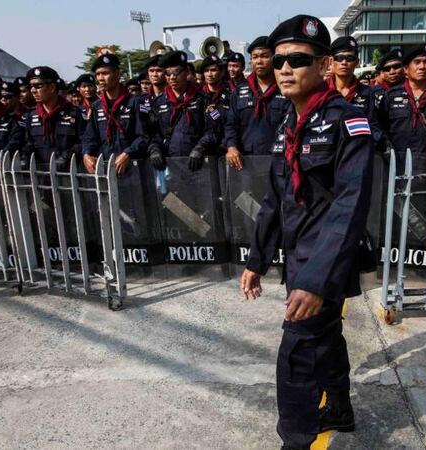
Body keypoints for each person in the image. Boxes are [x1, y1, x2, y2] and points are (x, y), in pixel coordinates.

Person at [239, 14, 374, 450]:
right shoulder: (287, 124)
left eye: (298, 59)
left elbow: (350, 207)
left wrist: (316, 281)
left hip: (325, 260)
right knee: (327, 335)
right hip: (300, 255)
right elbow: (276, 199)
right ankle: (338, 406)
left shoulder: (348, 121)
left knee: (297, 353)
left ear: (325, 66)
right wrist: (257, 259)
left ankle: (295, 441)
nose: (284, 68)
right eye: (279, 60)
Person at [377, 43, 426, 172]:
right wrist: (385, 147)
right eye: (417, 62)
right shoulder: (391, 96)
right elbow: (380, 126)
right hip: (397, 167)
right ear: (406, 68)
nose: (422, 67)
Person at [147, 50, 221, 171]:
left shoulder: (204, 99)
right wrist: (154, 149)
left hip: (201, 165)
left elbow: (215, 129)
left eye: (176, 72)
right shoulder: (158, 103)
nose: (172, 77)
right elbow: (154, 134)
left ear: (186, 72)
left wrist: (200, 148)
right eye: (167, 73)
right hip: (171, 165)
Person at [224, 37, 289, 170]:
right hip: (246, 163)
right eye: (255, 57)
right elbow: (231, 125)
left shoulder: (286, 89)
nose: (259, 61)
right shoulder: (240, 91)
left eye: (264, 56)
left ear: (274, 58)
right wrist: (231, 147)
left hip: (279, 162)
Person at [82, 51, 148, 174]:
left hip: (133, 169)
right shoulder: (96, 106)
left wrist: (128, 153)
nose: (101, 78)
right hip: (106, 169)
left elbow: (143, 136)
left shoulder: (135, 103)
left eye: (105, 73)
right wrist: (86, 154)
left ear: (118, 74)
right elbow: (89, 137)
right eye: (98, 74)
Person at [23, 66, 84, 167]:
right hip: (40, 175)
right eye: (31, 86)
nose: (33, 90)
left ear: (52, 87)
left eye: (38, 86)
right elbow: (28, 143)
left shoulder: (73, 113)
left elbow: (82, 142)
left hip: (67, 175)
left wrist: (65, 158)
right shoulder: (31, 115)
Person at [327, 36, 382, 143]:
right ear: (331, 61)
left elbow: (373, 125)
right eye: (339, 58)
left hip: (357, 150)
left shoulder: (368, 92)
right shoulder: (321, 91)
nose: (344, 62)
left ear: (357, 62)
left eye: (349, 58)